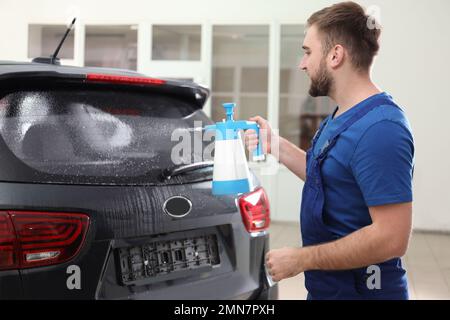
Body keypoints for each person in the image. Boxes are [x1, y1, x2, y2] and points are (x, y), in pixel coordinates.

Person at [244, 1, 415, 300]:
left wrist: (302, 259)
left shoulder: (381, 130)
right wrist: (276, 145)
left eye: (308, 51)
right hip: (329, 290)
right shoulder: (340, 115)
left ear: (336, 55)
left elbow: (392, 238)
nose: (302, 63)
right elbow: (324, 175)